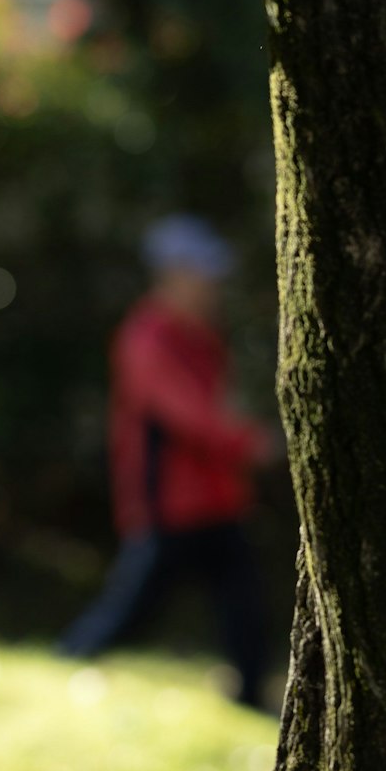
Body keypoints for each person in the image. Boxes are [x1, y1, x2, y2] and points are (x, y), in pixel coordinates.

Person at [61, 215, 274, 710]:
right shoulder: (148, 337)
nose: (212, 287)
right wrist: (251, 444)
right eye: (203, 275)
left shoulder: (201, 337)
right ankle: (65, 663)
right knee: (130, 609)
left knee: (245, 607)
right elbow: (189, 416)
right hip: (168, 509)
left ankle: (249, 697)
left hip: (218, 500)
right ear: (174, 274)